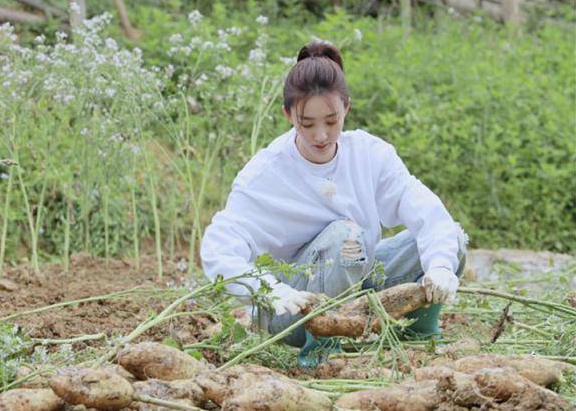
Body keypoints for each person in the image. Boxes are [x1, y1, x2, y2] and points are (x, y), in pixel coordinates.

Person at [200, 40, 467, 366]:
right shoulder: (266, 173)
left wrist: (439, 265)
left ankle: (415, 335)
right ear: (287, 115)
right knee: (346, 237)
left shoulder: (369, 154)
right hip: (296, 311)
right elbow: (218, 248)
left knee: (450, 236)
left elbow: (424, 210)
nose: (321, 136)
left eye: (331, 120)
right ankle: (322, 353)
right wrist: (272, 292)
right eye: (307, 124)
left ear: (346, 109)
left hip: (359, 291)